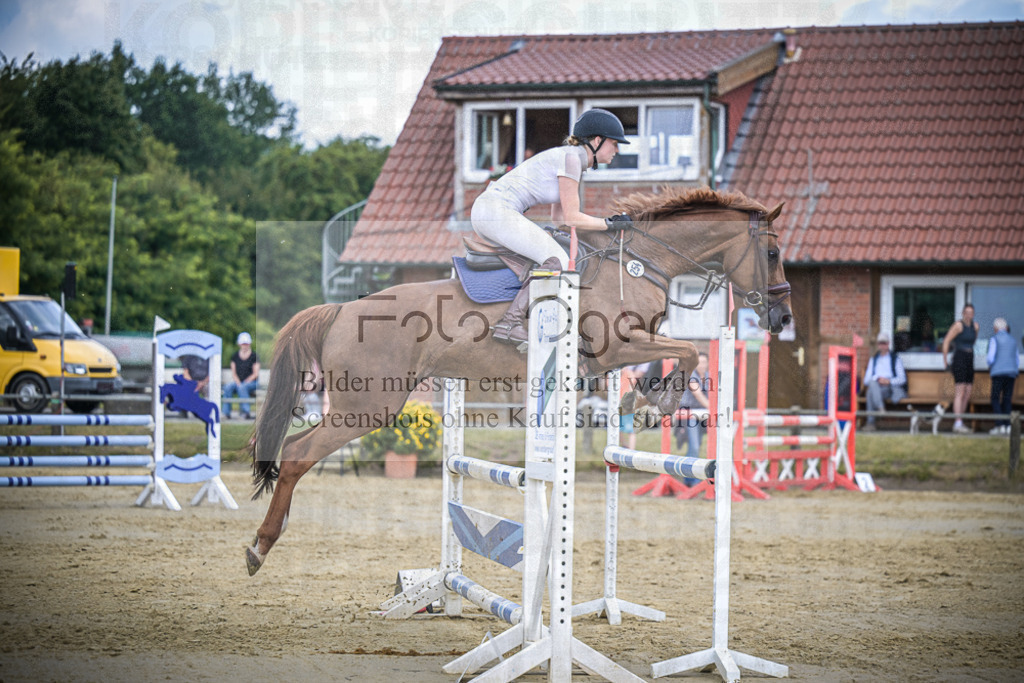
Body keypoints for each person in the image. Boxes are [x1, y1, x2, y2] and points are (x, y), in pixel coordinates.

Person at [471, 108, 633, 346]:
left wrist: (601, 226)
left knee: (552, 253)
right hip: (495, 211)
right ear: (597, 141)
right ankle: (510, 323)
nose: (617, 150)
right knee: (556, 259)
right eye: (614, 143)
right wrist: (609, 224)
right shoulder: (571, 159)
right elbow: (573, 218)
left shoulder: (571, 158)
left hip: (489, 211)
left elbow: (560, 219)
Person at [942, 304, 979, 434]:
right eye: (966, 312)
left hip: (970, 357)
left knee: (968, 392)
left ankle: (960, 421)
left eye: (971, 312)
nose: (969, 315)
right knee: (960, 391)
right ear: (963, 313)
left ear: (973, 314)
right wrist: (945, 361)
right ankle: (957, 422)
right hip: (959, 357)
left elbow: (973, 341)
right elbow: (946, 341)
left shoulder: (975, 326)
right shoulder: (958, 325)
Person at [674, 352, 710, 485]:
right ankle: (691, 479)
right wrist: (715, 410)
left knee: (696, 445)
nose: (702, 365)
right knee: (694, 446)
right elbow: (699, 395)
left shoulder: (708, 376)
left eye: (704, 362)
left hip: (702, 415)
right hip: (687, 415)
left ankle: (689, 477)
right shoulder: (691, 376)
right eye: (699, 363)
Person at [861, 332, 907, 431]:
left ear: (888, 344)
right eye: (880, 343)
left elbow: (902, 379)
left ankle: (870, 423)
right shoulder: (873, 359)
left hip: (890, 388)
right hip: (877, 387)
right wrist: (877, 379)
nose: (882, 345)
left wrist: (888, 381)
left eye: (884, 343)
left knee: (870, 392)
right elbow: (866, 380)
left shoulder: (895, 359)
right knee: (871, 387)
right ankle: (880, 408)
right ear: (878, 345)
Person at [986, 318, 1020, 435]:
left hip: (998, 373)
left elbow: (990, 358)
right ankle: (1007, 426)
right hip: (1011, 373)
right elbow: (1016, 359)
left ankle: (999, 425)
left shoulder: (994, 339)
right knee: (1007, 399)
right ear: (1006, 328)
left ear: (995, 329)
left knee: (995, 398)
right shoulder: (1013, 340)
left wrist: (990, 366)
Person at [223, 332, 261, 419]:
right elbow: (234, 373)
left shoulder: (254, 356)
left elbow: (255, 374)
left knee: (242, 387)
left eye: (246, 343)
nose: (245, 345)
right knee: (228, 387)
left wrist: (245, 382)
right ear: (239, 344)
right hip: (238, 381)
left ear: (249, 344)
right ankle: (226, 413)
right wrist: (238, 382)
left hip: (252, 382)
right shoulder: (235, 356)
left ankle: (245, 412)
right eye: (243, 343)